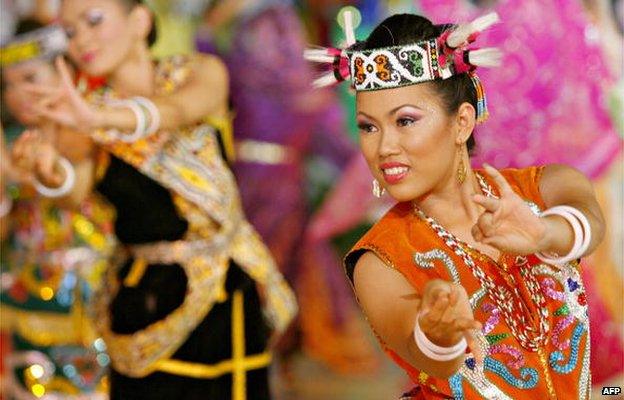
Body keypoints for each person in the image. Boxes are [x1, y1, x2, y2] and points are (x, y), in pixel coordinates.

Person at [306, 11, 605, 399]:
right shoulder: (379, 261)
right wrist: (437, 334)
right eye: (368, 126)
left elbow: (589, 222)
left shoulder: (545, 188)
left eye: (406, 121)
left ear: (462, 122)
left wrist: (545, 232)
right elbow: (426, 355)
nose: (383, 148)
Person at [11, 0, 297, 398]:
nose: (82, 40)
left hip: (223, 291)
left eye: (94, 21)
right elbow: (76, 191)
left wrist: (104, 120)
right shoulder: (82, 115)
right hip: (141, 298)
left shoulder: (197, 72)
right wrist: (47, 172)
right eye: (71, 31)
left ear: (140, 20)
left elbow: (177, 110)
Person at [0, 20, 115, 399]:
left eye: (31, 77)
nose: (19, 94)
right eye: (9, 84)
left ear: (65, 73)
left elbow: (73, 192)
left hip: (87, 298)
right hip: (24, 296)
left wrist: (22, 173)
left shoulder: (87, 128)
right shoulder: (15, 138)